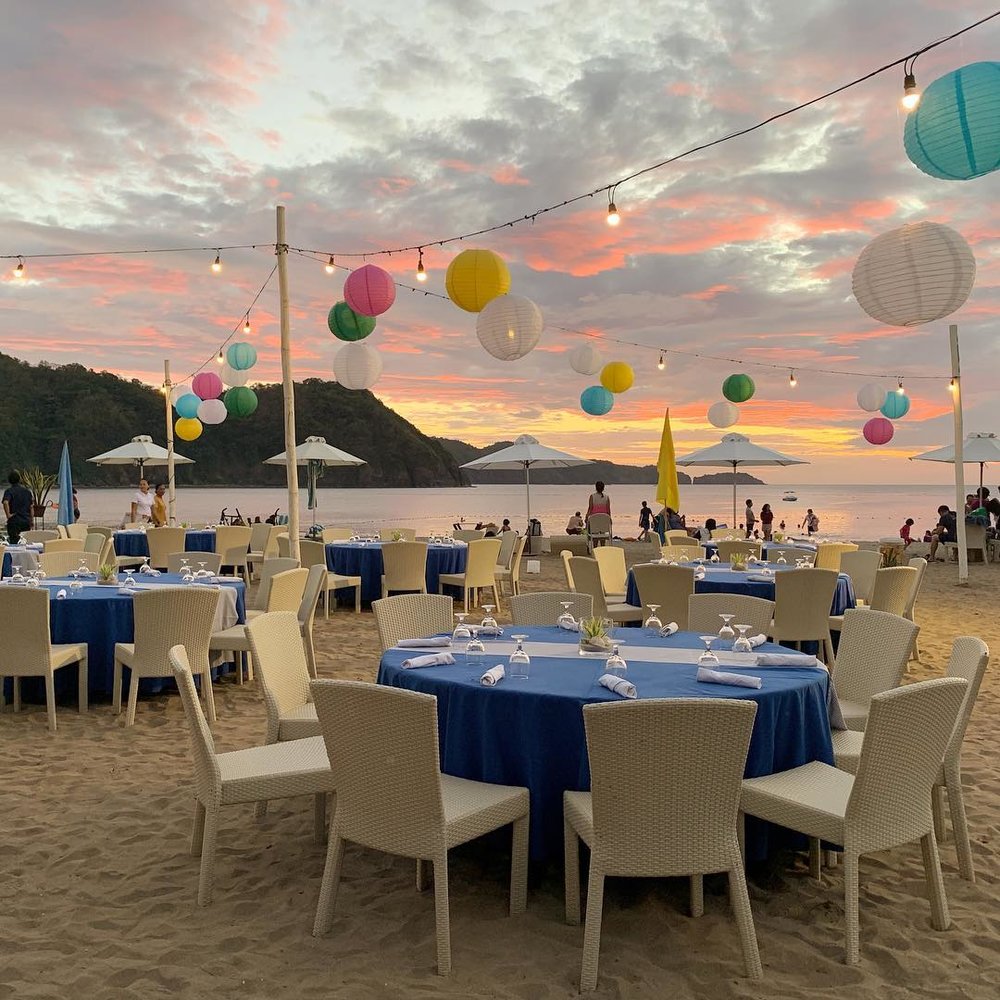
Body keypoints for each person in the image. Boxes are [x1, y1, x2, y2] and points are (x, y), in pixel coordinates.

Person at [3, 471, 33, 544]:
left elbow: (5, 502)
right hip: (26, 521)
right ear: (19, 480)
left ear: (9, 481)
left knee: (14, 543)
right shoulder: (27, 492)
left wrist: (8, 515)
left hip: (14, 521)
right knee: (25, 543)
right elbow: (31, 507)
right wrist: (31, 520)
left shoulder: (9, 491)